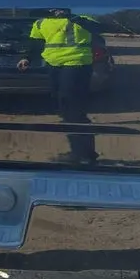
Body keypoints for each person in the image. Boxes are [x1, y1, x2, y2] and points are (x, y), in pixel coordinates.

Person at [17, 9, 105, 164]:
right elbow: (36, 43)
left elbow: (99, 28)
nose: (58, 10)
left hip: (77, 65)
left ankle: (84, 155)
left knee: (73, 108)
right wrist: (26, 58)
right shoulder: (41, 22)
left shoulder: (81, 18)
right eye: (54, 7)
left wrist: (74, 18)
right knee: (64, 109)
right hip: (54, 66)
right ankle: (80, 152)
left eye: (61, 7)